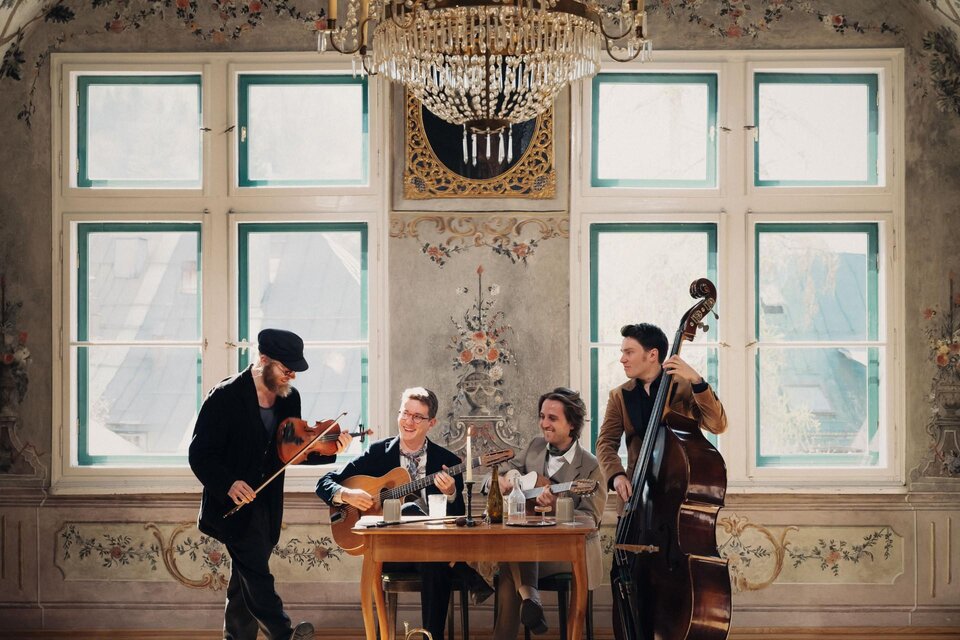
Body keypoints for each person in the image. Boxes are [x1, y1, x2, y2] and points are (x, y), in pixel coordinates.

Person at [189, 328, 352, 640]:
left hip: (266, 505)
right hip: (231, 505)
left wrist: (330, 450)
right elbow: (200, 454)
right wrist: (228, 484)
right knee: (255, 572)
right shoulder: (224, 397)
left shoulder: (290, 399)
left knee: (243, 583)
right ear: (263, 360)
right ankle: (284, 632)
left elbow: (292, 452)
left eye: (293, 372)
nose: (289, 378)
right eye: (284, 370)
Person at [315, 387, 491, 640]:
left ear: (431, 423)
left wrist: (451, 493)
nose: (408, 421)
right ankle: (461, 569)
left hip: (431, 554)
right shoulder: (378, 453)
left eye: (417, 417)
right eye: (405, 413)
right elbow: (325, 482)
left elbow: (458, 520)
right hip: (390, 551)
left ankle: (432, 636)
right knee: (411, 513)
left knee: (433, 559)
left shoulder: (447, 461)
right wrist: (347, 495)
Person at [493, 387, 606, 639]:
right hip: (532, 550)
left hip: (569, 553)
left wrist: (558, 506)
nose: (544, 424)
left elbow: (592, 520)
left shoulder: (591, 467)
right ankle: (531, 598)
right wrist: (508, 480)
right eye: (542, 416)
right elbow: (507, 471)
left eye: (552, 418)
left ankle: (529, 598)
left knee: (512, 563)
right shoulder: (535, 447)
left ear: (572, 424)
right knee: (513, 555)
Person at [596, 323, 728, 510]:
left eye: (629, 352)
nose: (622, 359)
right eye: (622, 352)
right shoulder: (618, 396)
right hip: (635, 496)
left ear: (652, 355)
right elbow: (605, 443)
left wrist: (697, 382)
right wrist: (617, 475)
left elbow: (717, 425)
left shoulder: (686, 387)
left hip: (680, 494)